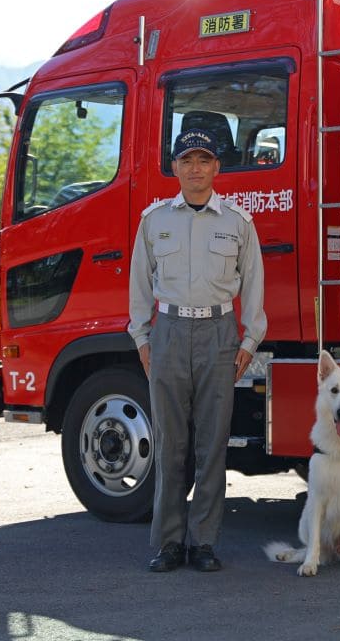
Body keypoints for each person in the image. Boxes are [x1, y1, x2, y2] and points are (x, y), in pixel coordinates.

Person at [128, 127, 267, 573]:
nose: (195, 168)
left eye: (204, 160)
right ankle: (169, 543)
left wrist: (248, 341)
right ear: (175, 168)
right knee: (171, 444)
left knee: (212, 445)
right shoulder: (154, 221)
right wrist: (142, 339)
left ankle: (204, 543)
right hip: (168, 334)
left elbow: (256, 287)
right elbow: (138, 287)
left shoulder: (238, 223)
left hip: (219, 334)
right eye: (187, 160)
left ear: (216, 168)